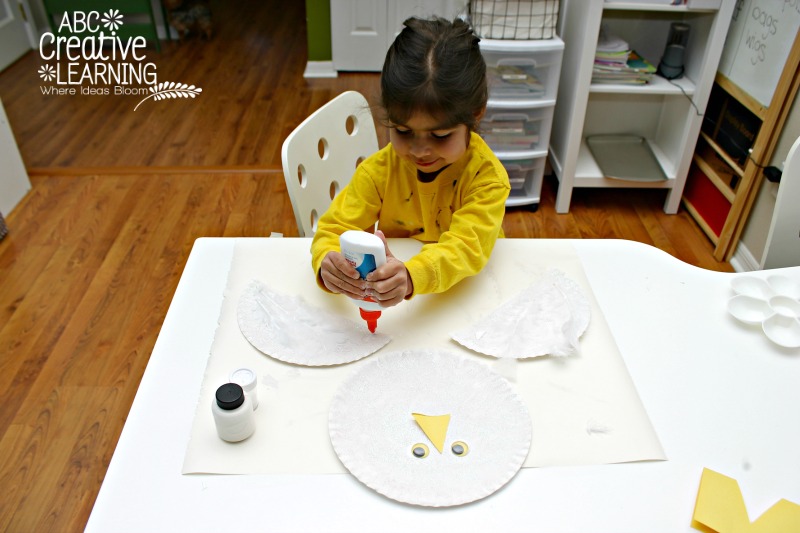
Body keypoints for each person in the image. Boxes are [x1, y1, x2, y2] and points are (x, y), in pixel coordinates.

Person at [310, 16, 510, 308]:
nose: (420, 151)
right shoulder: (379, 171)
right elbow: (332, 229)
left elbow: (466, 248)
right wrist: (327, 261)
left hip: (474, 295)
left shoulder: (486, 179)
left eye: (440, 135)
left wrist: (412, 275)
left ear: (475, 115)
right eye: (403, 131)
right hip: (401, 300)